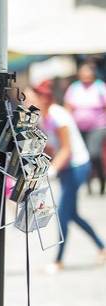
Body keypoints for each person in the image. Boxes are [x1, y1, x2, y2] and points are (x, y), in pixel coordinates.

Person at [30, 80, 106, 272]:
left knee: (63, 213)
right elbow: (50, 146)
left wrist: (52, 169)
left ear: (44, 98)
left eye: (31, 96)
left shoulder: (58, 116)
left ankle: (59, 260)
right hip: (66, 167)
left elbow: (66, 150)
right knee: (71, 214)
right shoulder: (43, 116)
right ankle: (102, 247)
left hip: (77, 166)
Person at [64, 62, 106, 195]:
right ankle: (87, 185)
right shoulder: (74, 87)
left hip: (97, 126)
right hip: (79, 127)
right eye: (83, 72)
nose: (86, 75)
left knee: (94, 154)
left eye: (88, 72)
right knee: (84, 156)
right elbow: (68, 106)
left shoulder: (100, 87)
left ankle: (101, 180)